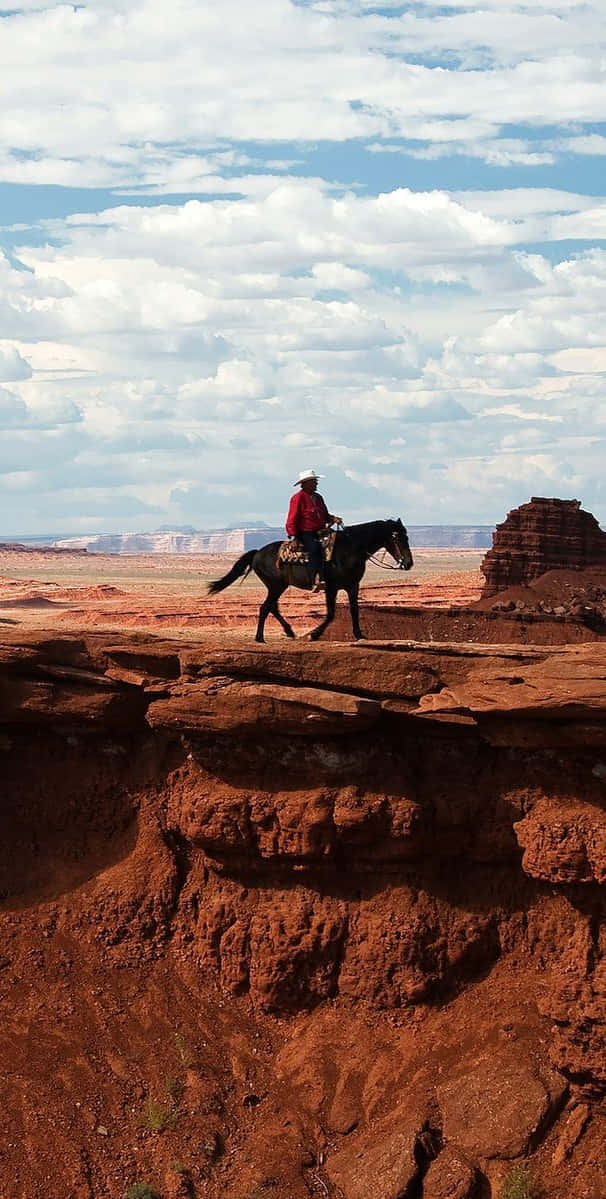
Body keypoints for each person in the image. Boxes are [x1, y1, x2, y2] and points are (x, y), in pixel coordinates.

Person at [285, 469, 342, 591]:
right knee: (315, 549)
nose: (316, 484)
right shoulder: (297, 498)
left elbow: (324, 515)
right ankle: (314, 580)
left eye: (316, 482)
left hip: (321, 531)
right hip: (306, 533)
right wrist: (294, 536)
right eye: (314, 482)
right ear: (305, 484)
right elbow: (292, 518)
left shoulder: (318, 498)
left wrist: (333, 518)